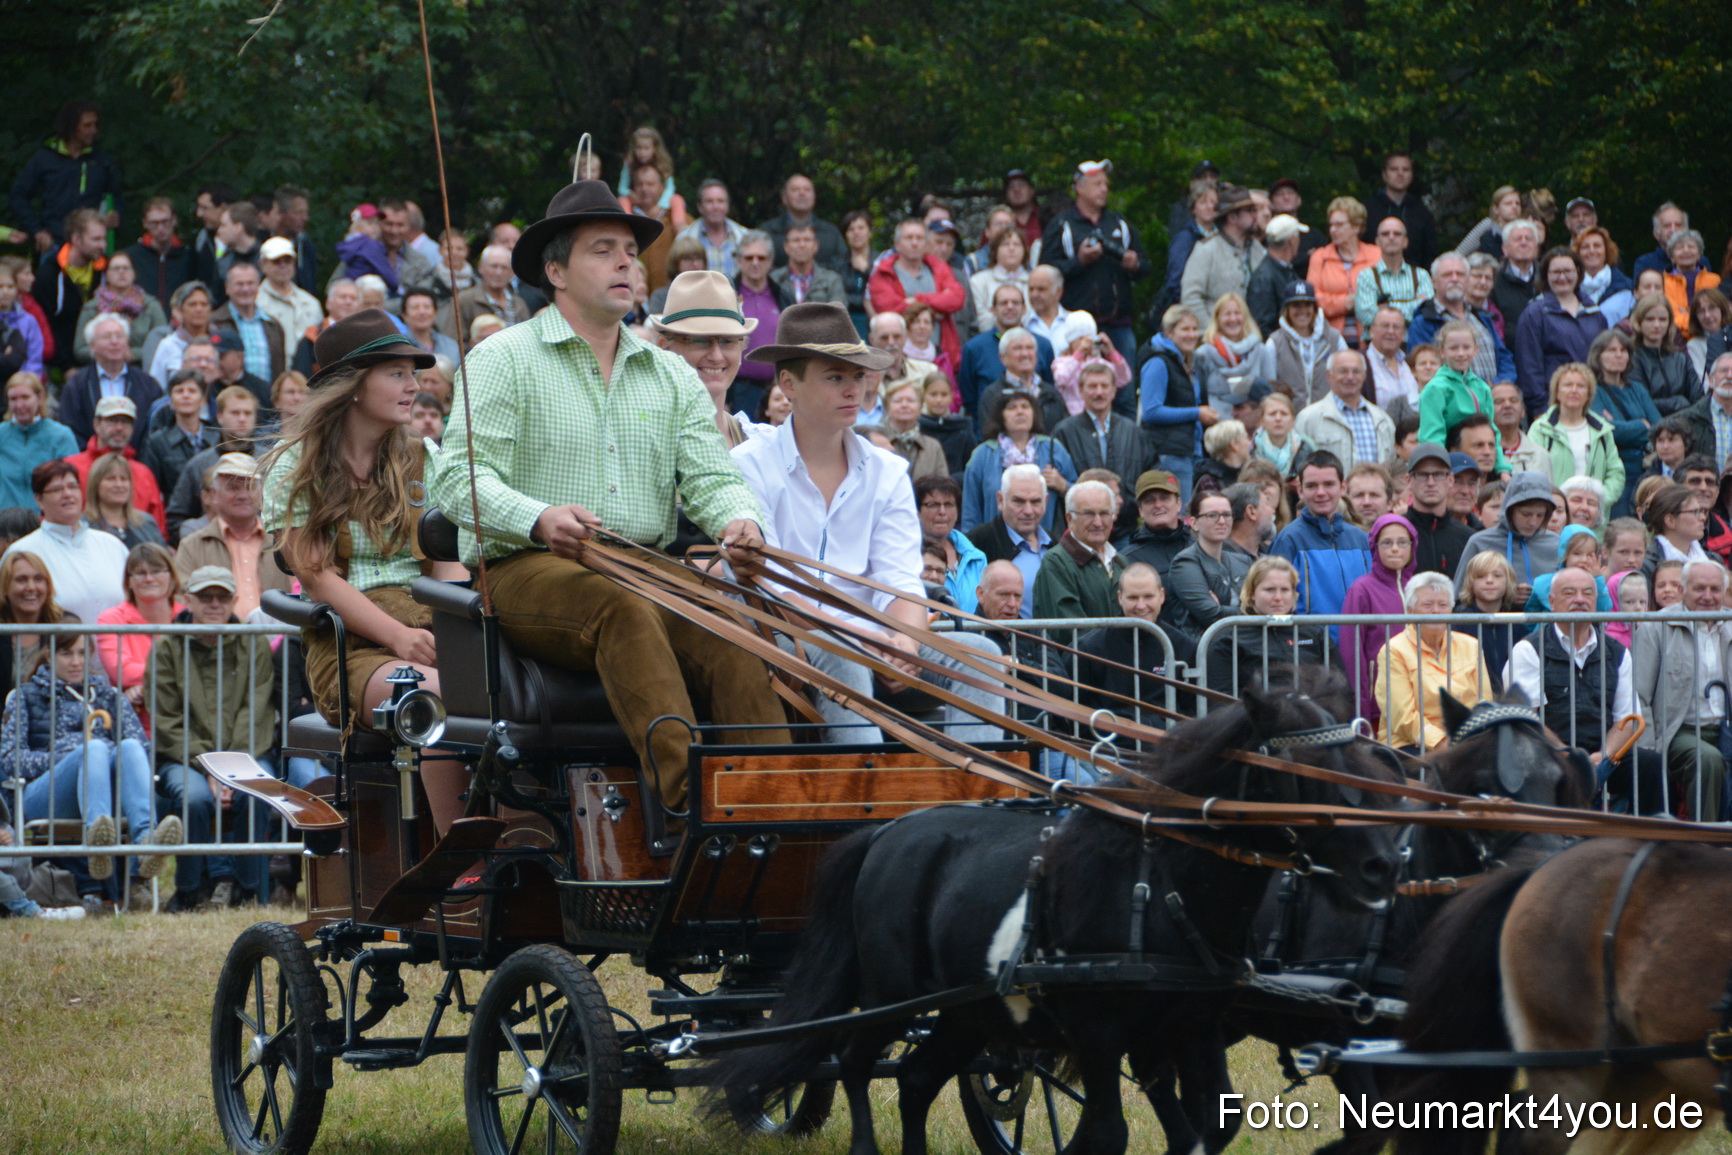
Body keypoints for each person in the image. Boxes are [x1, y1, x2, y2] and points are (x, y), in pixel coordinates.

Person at [428, 177, 789, 808]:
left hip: (641, 564)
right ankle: (689, 808)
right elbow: (458, 479)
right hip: (526, 566)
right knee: (621, 610)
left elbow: (712, 477)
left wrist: (740, 522)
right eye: (603, 250)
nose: (626, 263)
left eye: (629, 251)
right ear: (556, 272)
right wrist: (539, 517)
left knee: (728, 624)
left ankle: (770, 805)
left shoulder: (670, 372)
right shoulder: (502, 358)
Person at [730, 302, 1003, 743]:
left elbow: (899, 578)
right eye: (834, 377)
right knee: (844, 656)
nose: (853, 389)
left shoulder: (888, 471)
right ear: (788, 384)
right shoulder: (749, 464)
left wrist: (906, 641)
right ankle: (864, 784)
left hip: (875, 636)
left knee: (983, 655)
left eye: (858, 376)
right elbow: (776, 587)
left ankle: (978, 785)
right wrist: (866, 639)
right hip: (782, 636)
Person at [259, 309, 469, 835]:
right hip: (349, 645)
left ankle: (521, 840)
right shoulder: (294, 466)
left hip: (430, 627)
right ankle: (465, 857)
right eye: (396, 373)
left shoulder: (424, 457)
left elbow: (447, 560)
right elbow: (318, 578)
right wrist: (399, 637)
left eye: (413, 374)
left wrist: (457, 632)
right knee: (441, 695)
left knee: (506, 693)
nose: (413, 386)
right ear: (352, 386)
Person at [4, 634, 180, 918]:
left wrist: (101, 756)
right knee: (94, 748)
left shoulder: (109, 695)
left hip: (104, 791)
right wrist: (71, 756)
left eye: (82, 653)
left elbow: (143, 752)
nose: (76, 662)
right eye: (66, 653)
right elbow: (11, 759)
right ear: (49, 655)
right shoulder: (25, 695)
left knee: (130, 746)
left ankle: (146, 842)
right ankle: (98, 842)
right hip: (46, 795)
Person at [149, 566, 279, 910]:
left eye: (222, 596)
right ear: (187, 600)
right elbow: (167, 721)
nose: (215, 603)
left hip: (246, 754)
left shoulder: (255, 643)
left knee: (257, 793)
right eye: (205, 596)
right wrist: (209, 768)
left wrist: (228, 770)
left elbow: (257, 712)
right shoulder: (166, 649)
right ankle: (189, 891)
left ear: (234, 600)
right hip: (184, 759)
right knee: (193, 799)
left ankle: (250, 890)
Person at [1505, 565, 1659, 813]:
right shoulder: (1529, 650)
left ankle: (1650, 835)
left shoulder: (1617, 652)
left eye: (1587, 593)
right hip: (1547, 752)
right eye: (1569, 593)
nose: (1579, 599)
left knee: (1651, 766)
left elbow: (1628, 719)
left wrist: (1605, 755)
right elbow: (1527, 719)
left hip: (1602, 755)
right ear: (1552, 602)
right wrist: (1567, 755)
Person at [1631, 558, 1730, 821]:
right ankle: (1704, 841)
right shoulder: (1656, 626)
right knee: (1707, 759)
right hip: (1677, 731)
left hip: (1726, 728)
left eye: (1715, 589)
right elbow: (1639, 695)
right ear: (1682, 589)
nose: (1707, 596)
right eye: (1699, 588)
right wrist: (1649, 750)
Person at [1041, 160, 1149, 361]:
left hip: (1118, 326)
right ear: (1079, 188)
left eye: (1106, 184)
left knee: (1124, 380)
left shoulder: (1119, 223)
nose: (1104, 189)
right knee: (1077, 379)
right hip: (1076, 327)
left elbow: (1145, 267)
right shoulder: (1062, 225)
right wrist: (1079, 262)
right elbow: (1045, 273)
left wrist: (1134, 265)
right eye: (1097, 184)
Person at [1373, 571, 1490, 751]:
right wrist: (1444, 744)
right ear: (1410, 611)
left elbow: (1484, 702)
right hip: (1411, 744)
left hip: (1467, 742)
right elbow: (1403, 717)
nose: (1436, 611)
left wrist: (1476, 739)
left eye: (1443, 605)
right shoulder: (1394, 650)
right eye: (1427, 605)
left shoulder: (1471, 645)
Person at [3, 460, 127, 624]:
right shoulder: (23, 550)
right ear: (39, 500)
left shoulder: (112, 545)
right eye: (57, 489)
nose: (67, 494)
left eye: (73, 487)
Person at [648, 269, 760, 449]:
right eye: (700, 340)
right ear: (664, 347)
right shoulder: (644, 437)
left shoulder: (757, 443)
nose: (716, 356)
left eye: (727, 341)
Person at [1075, 561, 1196, 726]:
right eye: (1133, 598)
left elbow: (1192, 711)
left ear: (1161, 596)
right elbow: (1078, 711)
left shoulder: (1183, 646)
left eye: (1148, 597)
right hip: (1108, 739)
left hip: (1166, 739)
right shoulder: (1090, 648)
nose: (1141, 606)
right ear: (1120, 598)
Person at [177, 452, 292, 620]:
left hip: (278, 636)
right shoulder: (191, 546)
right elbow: (181, 599)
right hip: (217, 636)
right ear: (214, 494)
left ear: (261, 492)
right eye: (233, 488)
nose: (243, 495)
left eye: (250, 487)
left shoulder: (284, 542)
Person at [1204, 555, 1334, 695]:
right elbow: (1219, 698)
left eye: (1285, 590)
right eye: (1270, 590)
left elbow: (1338, 686)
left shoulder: (1314, 633)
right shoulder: (1229, 638)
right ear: (1252, 593)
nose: (1278, 598)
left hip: (1311, 708)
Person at [961, 390, 1075, 537]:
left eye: (1025, 406)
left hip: (1046, 543)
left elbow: (1080, 498)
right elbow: (970, 512)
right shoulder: (982, 455)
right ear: (1000, 415)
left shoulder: (1053, 448)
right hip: (994, 544)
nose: (1020, 411)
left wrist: (1063, 486)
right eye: (1012, 407)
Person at [1269, 449, 1369, 615]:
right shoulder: (1288, 540)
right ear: (1300, 491)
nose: (1321, 492)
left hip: (1359, 633)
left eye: (1328, 484)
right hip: (1305, 633)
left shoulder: (1362, 540)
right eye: (1312, 486)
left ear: (1343, 487)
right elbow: (1273, 605)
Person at [1513, 246, 1608, 416]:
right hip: (1553, 405)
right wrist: (1541, 409)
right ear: (1546, 275)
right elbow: (1529, 367)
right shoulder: (1534, 314)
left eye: (1567, 271)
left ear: (1578, 272)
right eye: (1556, 272)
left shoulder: (1594, 312)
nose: (1562, 277)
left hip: (1595, 403)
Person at [95, 542, 180, 727]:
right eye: (140, 573)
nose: (149, 578)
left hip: (186, 722)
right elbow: (122, 672)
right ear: (129, 581)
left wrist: (145, 685)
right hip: (136, 727)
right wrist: (176, 674)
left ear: (171, 576)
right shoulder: (111, 619)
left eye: (156, 571)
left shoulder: (188, 616)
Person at [165, 385, 260, 541]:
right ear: (219, 416)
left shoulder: (270, 462)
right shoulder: (199, 464)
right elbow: (177, 517)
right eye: (235, 413)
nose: (242, 419)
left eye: (248, 413)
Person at [1053, 359, 1146, 516]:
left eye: (1104, 386)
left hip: (1127, 522)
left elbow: (1147, 472)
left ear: (1114, 390)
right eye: (1092, 386)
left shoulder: (1132, 431)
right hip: (1084, 520)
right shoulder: (1064, 431)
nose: (1099, 392)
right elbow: (1057, 481)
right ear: (1080, 390)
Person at [1139, 304, 1212, 501]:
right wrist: (1197, 413)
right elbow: (1151, 411)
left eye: (1194, 329)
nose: (1192, 335)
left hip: (1188, 452)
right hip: (1168, 453)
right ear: (1169, 332)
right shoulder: (1158, 362)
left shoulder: (1189, 361)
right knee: (1177, 512)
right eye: (1185, 329)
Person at [1418, 320, 1510, 471]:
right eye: (1454, 348)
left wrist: (1501, 468)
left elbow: (1492, 431)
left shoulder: (1482, 388)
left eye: (1466, 347)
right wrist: (1442, 469)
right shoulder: (1436, 389)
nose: (1461, 353)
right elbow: (1432, 437)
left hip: (1483, 464)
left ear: (1475, 349)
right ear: (1442, 352)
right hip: (1451, 466)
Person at [1527, 362, 1624, 505]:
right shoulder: (1540, 429)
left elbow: (1616, 473)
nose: (1574, 390)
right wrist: (1555, 505)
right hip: (1554, 511)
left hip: (1593, 513)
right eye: (1567, 385)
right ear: (1557, 392)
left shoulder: (1602, 430)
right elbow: (1532, 472)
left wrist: (1599, 501)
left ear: (1588, 394)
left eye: (1581, 386)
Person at [1453, 471, 1559, 601]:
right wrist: (1504, 597)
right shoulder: (1480, 542)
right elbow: (1460, 600)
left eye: (1540, 515)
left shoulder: (1556, 544)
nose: (1533, 522)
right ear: (1510, 511)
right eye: (1526, 514)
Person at [965, 463, 1052, 617]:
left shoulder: (1056, 544)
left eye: (1035, 502)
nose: (1028, 511)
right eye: (1018, 501)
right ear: (1000, 500)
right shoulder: (977, 543)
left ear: (1046, 501)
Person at [1163, 487, 1252, 637]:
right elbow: (1211, 615)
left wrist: (1223, 608)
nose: (1222, 521)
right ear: (1194, 523)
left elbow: (1262, 608)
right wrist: (1249, 613)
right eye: (1212, 515)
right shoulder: (1184, 563)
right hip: (1205, 647)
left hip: (1243, 644)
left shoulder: (1243, 561)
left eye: (1227, 515)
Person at [1030, 479, 1124, 619]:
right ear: (1069, 518)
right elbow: (1068, 627)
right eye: (1089, 514)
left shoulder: (1120, 561)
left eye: (1104, 513)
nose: (1098, 523)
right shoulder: (1056, 563)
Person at [1292, 349, 1394, 471]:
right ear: (1329, 375)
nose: (1350, 377)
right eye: (1343, 371)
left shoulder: (1382, 420)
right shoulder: (1308, 418)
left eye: (1356, 371)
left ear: (1364, 375)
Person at [958, 284, 1056, 411]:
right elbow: (969, 397)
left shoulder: (1042, 345)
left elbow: (1050, 391)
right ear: (993, 309)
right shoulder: (974, 348)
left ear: (1024, 309)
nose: (1010, 307)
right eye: (1004, 303)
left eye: (1015, 303)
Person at [1180, 184, 1264, 328]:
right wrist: (1211, 331)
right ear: (1232, 217)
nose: (1256, 216)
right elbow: (1190, 297)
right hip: (1214, 337)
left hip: (1253, 336)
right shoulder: (1206, 249)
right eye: (1249, 211)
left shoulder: (1259, 250)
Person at [70, 253, 165, 366]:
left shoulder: (151, 306)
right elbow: (80, 349)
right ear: (107, 275)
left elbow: (162, 343)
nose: (121, 272)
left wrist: (133, 354)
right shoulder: (92, 308)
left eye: (126, 268)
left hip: (142, 368)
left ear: (134, 274)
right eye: (116, 268)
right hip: (101, 369)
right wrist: (108, 353)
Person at [1307, 197, 1377, 348]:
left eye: (1339, 225)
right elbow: (1312, 300)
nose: (1333, 230)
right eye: (1331, 225)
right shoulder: (1320, 257)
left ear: (1356, 227)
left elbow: (1385, 294)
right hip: (1329, 341)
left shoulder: (1376, 255)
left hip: (1371, 340)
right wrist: (1347, 302)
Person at [1257, 281, 1343, 405]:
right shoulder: (1275, 343)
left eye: (1307, 305)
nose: (1302, 311)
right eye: (1296, 305)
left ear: (1314, 308)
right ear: (1287, 309)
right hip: (1290, 413)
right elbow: (1270, 386)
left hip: (1327, 411)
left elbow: (1346, 375)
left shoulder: (1334, 338)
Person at [0, 372, 77, 509]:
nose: (19, 405)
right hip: (5, 517)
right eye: (13, 399)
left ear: (40, 398)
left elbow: (72, 481)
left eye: (25, 398)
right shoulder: (2, 434)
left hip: (46, 517)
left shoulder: (60, 436)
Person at [914, 475, 985, 613]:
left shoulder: (977, 558)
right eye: (933, 505)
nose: (942, 512)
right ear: (917, 511)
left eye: (949, 505)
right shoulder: (906, 555)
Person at [1455, 549, 1522, 691]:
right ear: (1470, 583)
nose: (1489, 581)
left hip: (1511, 697)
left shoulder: (1517, 620)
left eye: (1497, 576)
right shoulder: (1459, 621)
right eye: (1481, 576)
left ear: (1508, 581)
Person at [1353, 217, 1433, 333]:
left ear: (1405, 241)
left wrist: (1384, 307)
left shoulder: (1421, 276)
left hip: (1413, 342)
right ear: (1377, 241)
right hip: (1378, 343)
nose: (1391, 237)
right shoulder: (1366, 276)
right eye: (1385, 234)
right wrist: (1414, 304)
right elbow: (1366, 316)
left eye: (1397, 234)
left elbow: (1426, 312)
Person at [1627, 292, 1700, 418]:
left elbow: (1699, 399)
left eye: (1662, 319)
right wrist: (1679, 402)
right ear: (1639, 322)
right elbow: (1641, 404)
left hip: (1686, 424)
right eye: (1650, 319)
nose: (1657, 325)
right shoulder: (1632, 359)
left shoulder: (1680, 359)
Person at [757, 174, 846, 273]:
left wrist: (813, 275)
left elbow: (842, 262)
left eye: (807, 190)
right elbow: (759, 262)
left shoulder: (830, 232)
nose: (802, 193)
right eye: (795, 190)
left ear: (814, 197)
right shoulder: (767, 232)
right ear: (784, 198)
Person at [1194, 293, 1264, 415]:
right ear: (1217, 319)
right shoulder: (1203, 354)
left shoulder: (1262, 351)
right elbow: (1198, 396)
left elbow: (1269, 394)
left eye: (1237, 313)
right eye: (1227, 314)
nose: (1233, 319)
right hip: (1215, 421)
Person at [1118, 469, 1193, 582]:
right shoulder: (1128, 559)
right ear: (1140, 510)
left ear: (1178, 504)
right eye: (1149, 500)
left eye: (1164, 498)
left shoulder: (1200, 548)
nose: (1158, 505)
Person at [81, 451, 164, 549]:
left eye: (124, 478)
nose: (119, 485)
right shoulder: (83, 526)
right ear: (96, 485)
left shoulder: (146, 523)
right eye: (111, 478)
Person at [1247, 214, 1308, 337]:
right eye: (1298, 236)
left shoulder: (1285, 270)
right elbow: (1262, 325)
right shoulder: (1264, 277)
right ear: (1292, 240)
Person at [677, 179, 748, 281]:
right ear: (700, 207)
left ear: (728, 206)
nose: (716, 207)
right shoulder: (684, 238)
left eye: (720, 201)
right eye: (709, 202)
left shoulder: (744, 237)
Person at [1660, 230, 1721, 337]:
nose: (1686, 250)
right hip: (1676, 338)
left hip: (1713, 337)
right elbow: (1672, 316)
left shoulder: (1714, 280)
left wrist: (1687, 315)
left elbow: (1720, 314)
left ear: (1699, 254)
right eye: (1680, 248)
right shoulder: (1663, 283)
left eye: (1691, 247)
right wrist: (1700, 323)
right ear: (1672, 257)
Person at [969, 229, 1031, 333]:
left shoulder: (1033, 281)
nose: (1011, 248)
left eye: (1017, 244)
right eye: (1005, 244)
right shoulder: (978, 281)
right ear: (995, 250)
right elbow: (981, 319)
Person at [770, 224, 846, 307]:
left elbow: (838, 313)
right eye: (796, 240)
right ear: (786, 247)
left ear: (816, 245)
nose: (802, 245)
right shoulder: (773, 280)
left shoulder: (832, 280)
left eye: (807, 240)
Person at [1489, 219, 1544, 334]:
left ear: (1536, 247)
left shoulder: (1548, 276)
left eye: (1528, 239)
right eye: (1517, 239)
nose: (1524, 243)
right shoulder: (1494, 280)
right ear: (1505, 249)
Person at [1574, 226, 1634, 325]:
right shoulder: (1570, 287)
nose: (1591, 251)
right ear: (1578, 253)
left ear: (1607, 251)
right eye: (1585, 247)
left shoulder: (1626, 287)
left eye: (1597, 246)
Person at [1457, 185, 1524, 261]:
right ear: (1496, 209)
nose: (1514, 207)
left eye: (1517, 203)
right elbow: (1460, 253)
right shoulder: (1487, 225)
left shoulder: (1524, 229)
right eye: (1508, 204)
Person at [1021, 264, 1071, 351]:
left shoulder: (1073, 322)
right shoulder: (1023, 324)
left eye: (1041, 289)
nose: (1034, 295)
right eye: (1031, 289)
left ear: (1058, 292)